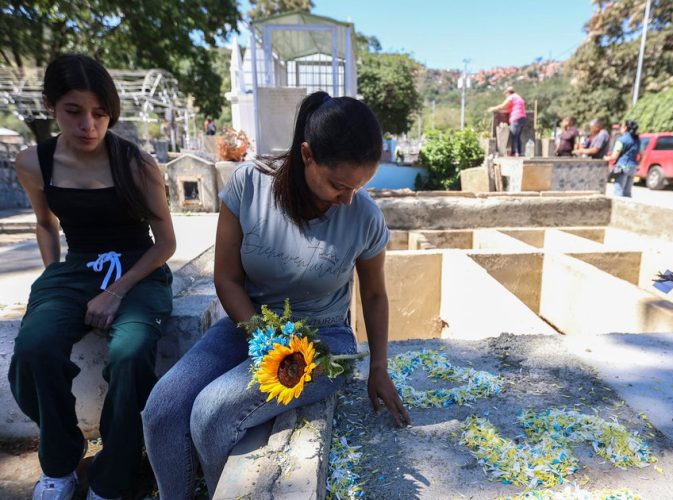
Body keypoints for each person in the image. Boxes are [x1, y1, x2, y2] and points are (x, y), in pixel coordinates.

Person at [142, 91, 412, 498]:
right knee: (162, 409)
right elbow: (227, 279)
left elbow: (374, 295)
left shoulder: (364, 216)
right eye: (338, 185)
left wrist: (379, 366)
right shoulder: (250, 186)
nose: (348, 199)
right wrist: (262, 336)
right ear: (306, 155)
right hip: (247, 322)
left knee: (212, 414)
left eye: (359, 187)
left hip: (322, 339)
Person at [8, 54, 175, 500]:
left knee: (130, 353)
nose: (88, 125)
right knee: (35, 348)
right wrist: (53, 281)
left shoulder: (136, 163)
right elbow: (45, 224)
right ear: (51, 107)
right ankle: (61, 458)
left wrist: (116, 292)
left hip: (139, 269)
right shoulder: (34, 162)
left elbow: (165, 244)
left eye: (100, 114)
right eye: (74, 111)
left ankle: (113, 473)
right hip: (76, 267)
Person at [487, 86, 527, 156]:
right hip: (522, 118)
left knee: (513, 136)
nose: (505, 96)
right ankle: (520, 153)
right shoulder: (518, 97)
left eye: (506, 94)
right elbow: (508, 108)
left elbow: (503, 106)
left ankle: (514, 153)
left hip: (516, 118)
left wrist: (493, 108)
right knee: (517, 136)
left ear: (508, 93)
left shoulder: (511, 97)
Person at [606, 120, 641, 198]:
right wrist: (639, 164)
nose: (620, 128)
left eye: (621, 126)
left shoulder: (622, 140)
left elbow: (614, 156)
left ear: (625, 128)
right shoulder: (637, 139)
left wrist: (605, 158)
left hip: (622, 167)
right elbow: (642, 154)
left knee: (618, 192)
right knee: (627, 193)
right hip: (633, 168)